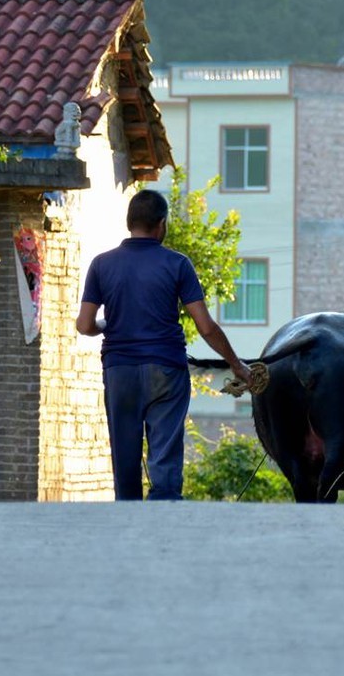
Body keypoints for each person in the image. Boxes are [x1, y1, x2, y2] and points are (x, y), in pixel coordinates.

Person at [75, 188, 255, 500]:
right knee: (165, 456)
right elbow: (206, 326)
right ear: (161, 225)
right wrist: (237, 365)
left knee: (125, 457)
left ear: (129, 222)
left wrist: (107, 324)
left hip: (120, 372)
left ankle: (129, 523)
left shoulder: (101, 265)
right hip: (167, 371)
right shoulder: (178, 264)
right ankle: (164, 518)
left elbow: (84, 325)